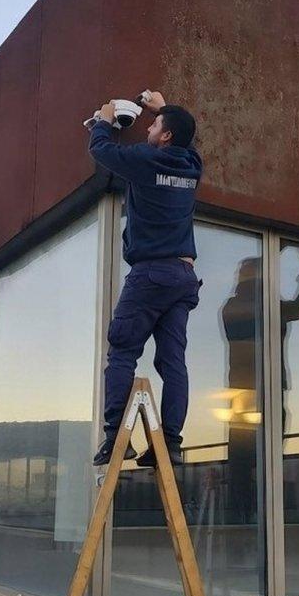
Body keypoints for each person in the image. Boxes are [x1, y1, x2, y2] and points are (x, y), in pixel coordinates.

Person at [89, 91, 202, 468]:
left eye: (153, 125)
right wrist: (163, 108)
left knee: (122, 351)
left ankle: (114, 439)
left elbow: (103, 151)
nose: (148, 128)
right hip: (183, 276)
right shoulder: (191, 164)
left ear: (165, 137)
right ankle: (169, 443)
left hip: (150, 274)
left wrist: (104, 120)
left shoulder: (146, 160)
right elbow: (186, 138)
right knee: (173, 363)